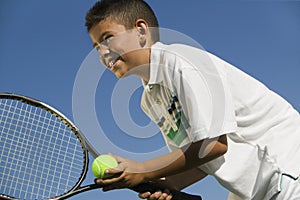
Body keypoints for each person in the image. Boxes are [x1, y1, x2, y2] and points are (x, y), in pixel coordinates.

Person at [85, 0, 300, 199]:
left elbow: (214, 144)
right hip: (258, 189)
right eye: (96, 47)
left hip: (287, 168)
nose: (103, 52)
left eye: (107, 38)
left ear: (141, 31)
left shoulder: (182, 62)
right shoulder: (149, 101)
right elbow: (202, 159)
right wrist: (170, 183)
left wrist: (142, 169)